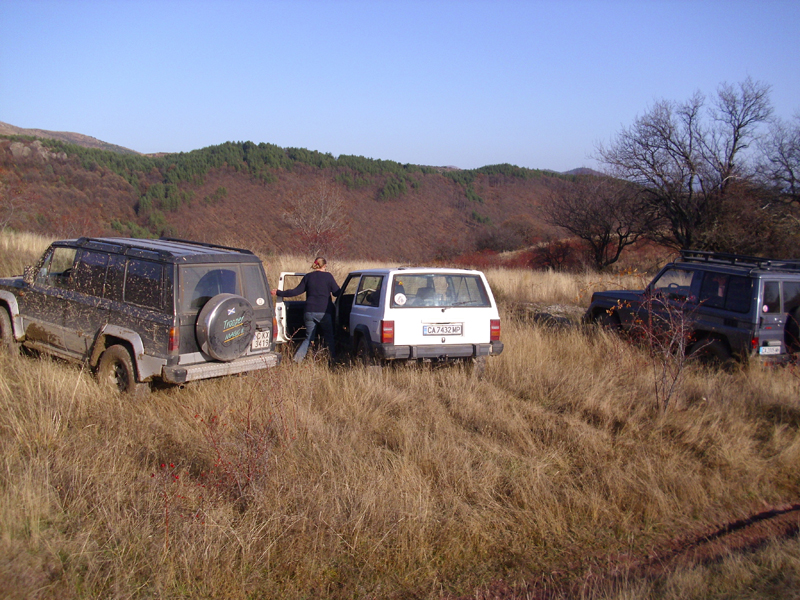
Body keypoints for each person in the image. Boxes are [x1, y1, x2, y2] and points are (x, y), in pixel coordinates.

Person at [272, 257, 340, 364]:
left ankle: (297, 360)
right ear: (324, 266)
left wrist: (279, 292)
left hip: (309, 312)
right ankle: (332, 360)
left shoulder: (308, 276)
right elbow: (337, 293)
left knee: (308, 338)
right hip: (324, 312)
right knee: (329, 337)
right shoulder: (328, 277)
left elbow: (295, 291)